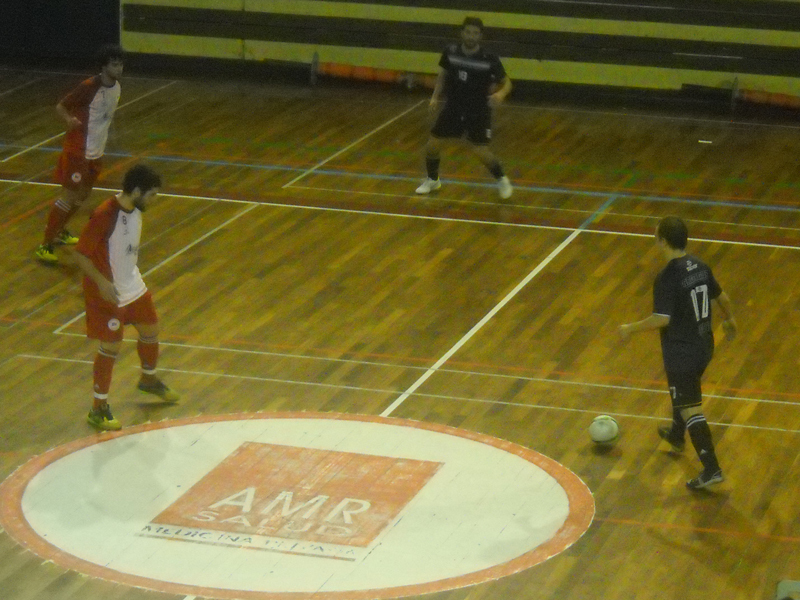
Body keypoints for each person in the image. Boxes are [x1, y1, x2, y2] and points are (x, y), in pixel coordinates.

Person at [619, 216, 737, 490]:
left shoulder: (667, 278)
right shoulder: (700, 265)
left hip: (682, 352)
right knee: (682, 392)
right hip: (704, 345)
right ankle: (675, 434)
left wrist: (630, 328)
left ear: (662, 240)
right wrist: (731, 319)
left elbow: (662, 319)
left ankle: (711, 469)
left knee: (689, 407)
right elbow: (723, 297)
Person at [71, 164, 179, 431]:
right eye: (152, 195)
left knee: (150, 328)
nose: (154, 200)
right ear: (137, 191)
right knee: (111, 348)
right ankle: (98, 408)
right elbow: (80, 254)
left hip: (132, 283)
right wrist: (101, 282)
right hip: (107, 291)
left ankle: (149, 379)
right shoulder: (104, 216)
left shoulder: (135, 210)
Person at [36, 44, 124, 263]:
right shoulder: (88, 87)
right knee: (69, 195)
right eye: (115, 64)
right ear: (104, 66)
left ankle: (61, 229)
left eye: (121, 64)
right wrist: (69, 120)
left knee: (83, 194)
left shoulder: (117, 89)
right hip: (78, 151)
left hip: (96, 152)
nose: (119, 68)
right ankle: (45, 244)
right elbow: (61, 106)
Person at [415, 17, 513, 200]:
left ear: (480, 36)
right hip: (454, 106)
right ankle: (432, 180)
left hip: (478, 110)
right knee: (432, 146)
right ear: (462, 33)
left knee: (480, 151)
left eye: (475, 33)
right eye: (468, 32)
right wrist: (435, 97)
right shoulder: (450, 52)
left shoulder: (489, 59)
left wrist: (501, 94)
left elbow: (507, 82)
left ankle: (502, 179)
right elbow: (442, 75)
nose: (471, 36)